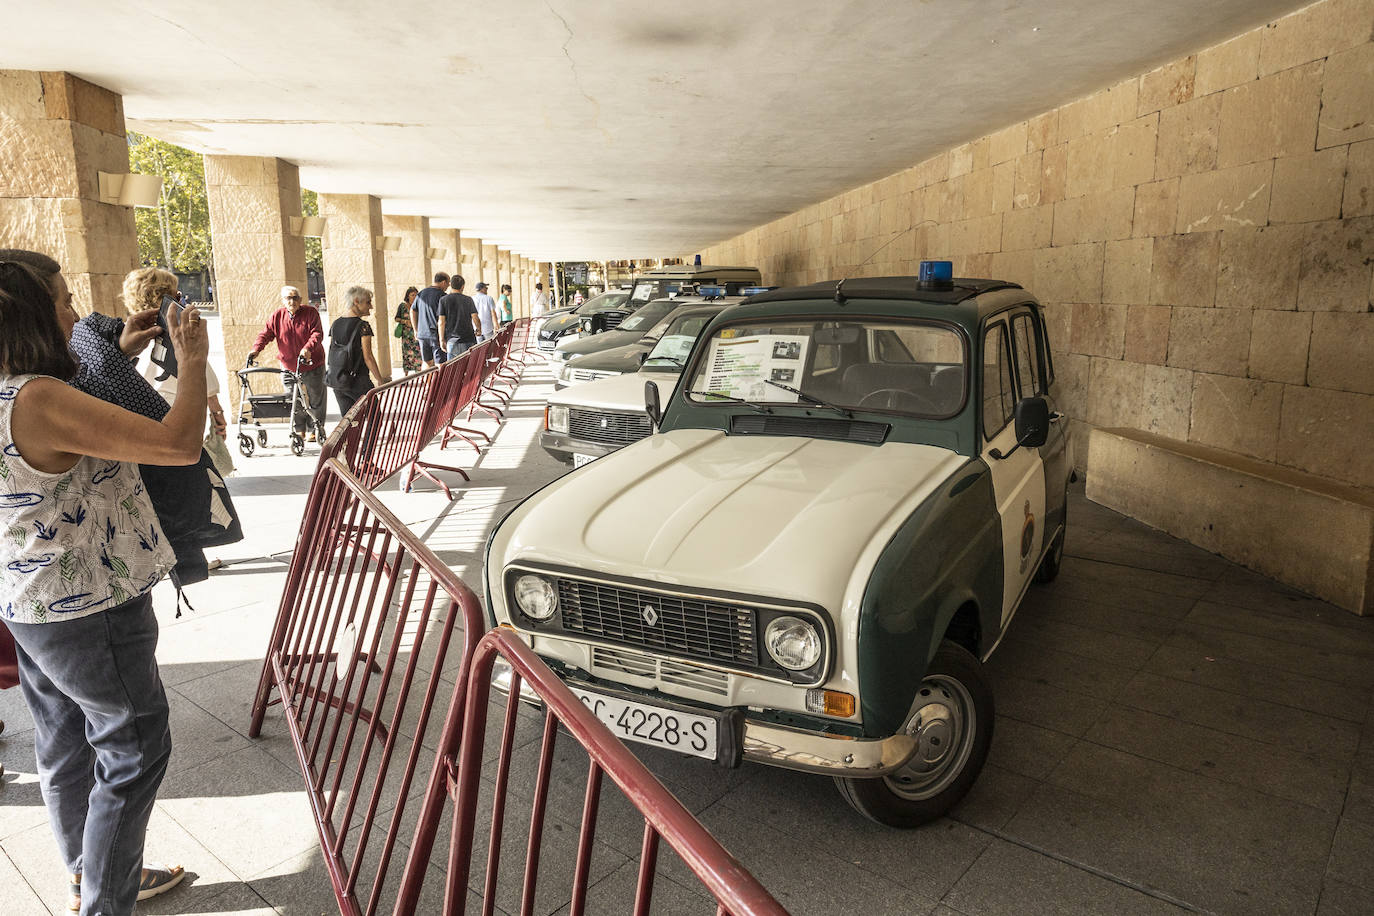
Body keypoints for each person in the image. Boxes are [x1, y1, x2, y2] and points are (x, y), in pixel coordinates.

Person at [0, 249, 205, 914]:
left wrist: (111, 351)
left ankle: (88, 872)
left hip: (30, 601)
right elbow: (177, 442)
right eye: (61, 299)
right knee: (135, 745)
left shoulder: (13, 389)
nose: (72, 310)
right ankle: (104, 901)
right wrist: (193, 359)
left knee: (63, 737)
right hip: (90, 602)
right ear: (31, 313)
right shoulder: (41, 398)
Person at [246, 286, 326, 441]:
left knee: (315, 397)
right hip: (288, 365)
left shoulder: (310, 313)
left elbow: (317, 333)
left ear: (301, 300)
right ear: (283, 300)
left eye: (295, 297)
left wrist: (308, 347)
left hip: (312, 363)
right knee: (292, 398)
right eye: (288, 298)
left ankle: (315, 428)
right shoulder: (277, 316)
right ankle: (299, 429)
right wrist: (256, 349)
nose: (292, 301)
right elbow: (266, 334)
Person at [326, 286, 385, 419]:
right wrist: (380, 380)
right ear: (356, 301)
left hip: (339, 381)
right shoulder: (363, 326)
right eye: (368, 302)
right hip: (359, 380)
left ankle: (351, 441)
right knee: (374, 418)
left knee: (349, 423)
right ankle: (369, 441)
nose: (371, 307)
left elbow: (332, 350)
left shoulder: (336, 324)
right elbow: (368, 357)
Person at [411, 272, 449, 368]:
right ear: (443, 282)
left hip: (422, 334)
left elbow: (412, 310)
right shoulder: (443, 296)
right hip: (436, 334)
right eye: (448, 283)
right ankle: (440, 383)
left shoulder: (421, 293)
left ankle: (427, 383)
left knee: (426, 361)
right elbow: (443, 319)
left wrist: (415, 329)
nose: (448, 286)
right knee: (440, 363)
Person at [437, 276, 479, 358]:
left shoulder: (443, 300)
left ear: (451, 285)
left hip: (452, 341)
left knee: (454, 369)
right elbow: (475, 317)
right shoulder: (468, 299)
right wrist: (478, 329)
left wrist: (441, 340)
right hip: (469, 340)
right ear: (462, 286)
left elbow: (441, 322)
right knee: (469, 367)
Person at [394, 286, 421, 374]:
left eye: (416, 295)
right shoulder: (402, 306)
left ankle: (418, 374)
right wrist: (405, 321)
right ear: (408, 296)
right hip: (406, 335)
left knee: (418, 354)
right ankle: (406, 375)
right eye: (412, 295)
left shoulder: (419, 306)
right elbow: (396, 318)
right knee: (406, 355)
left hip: (416, 333)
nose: (414, 297)